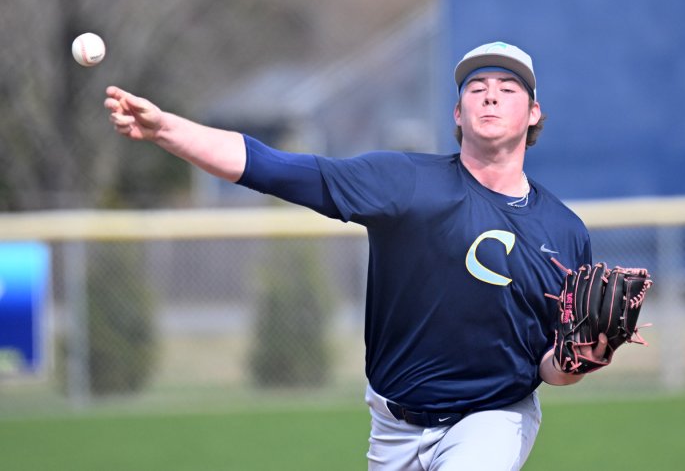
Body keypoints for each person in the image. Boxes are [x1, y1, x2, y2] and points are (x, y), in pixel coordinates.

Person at [104, 41, 607, 471]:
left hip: (494, 416)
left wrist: (579, 361)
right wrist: (165, 128)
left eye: (508, 87)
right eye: (476, 88)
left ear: (534, 113)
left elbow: (551, 367)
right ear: (458, 114)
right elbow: (275, 168)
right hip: (393, 422)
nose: (490, 94)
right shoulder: (405, 182)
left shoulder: (563, 232)